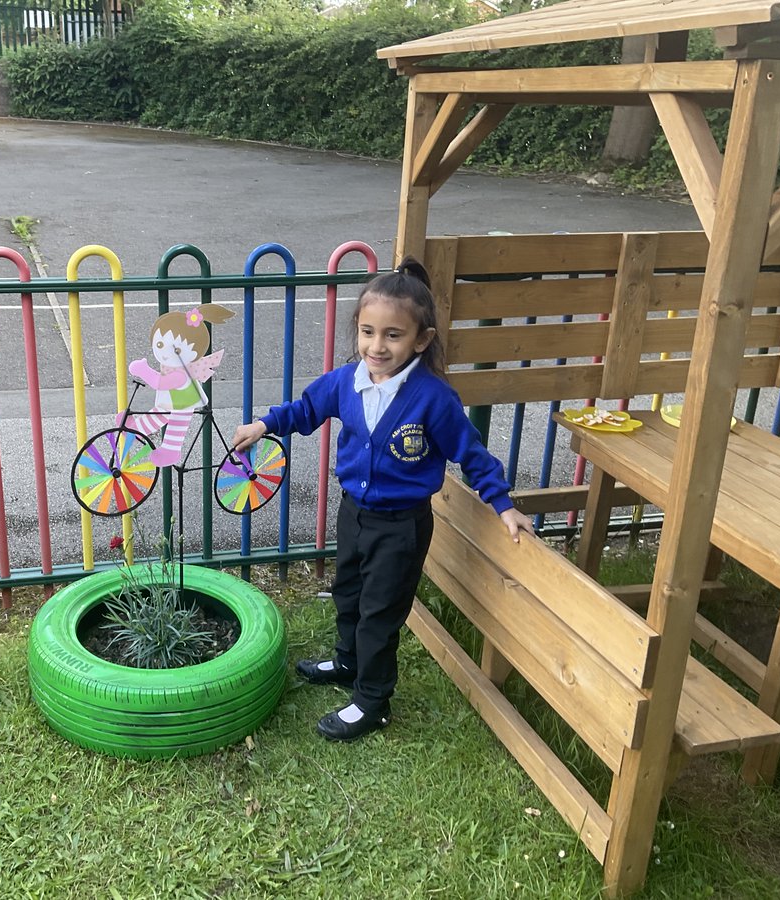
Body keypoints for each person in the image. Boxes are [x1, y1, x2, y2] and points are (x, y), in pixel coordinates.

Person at [232, 257, 534, 742]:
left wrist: (502, 503)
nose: (377, 346)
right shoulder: (345, 381)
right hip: (353, 514)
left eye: (393, 335)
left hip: (402, 526)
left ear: (421, 340)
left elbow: (470, 453)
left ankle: (372, 701)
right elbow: (307, 408)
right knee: (348, 592)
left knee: (380, 612)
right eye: (368, 332)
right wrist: (265, 425)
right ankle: (348, 661)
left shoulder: (433, 400)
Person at [122, 303, 235, 466]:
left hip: (184, 403)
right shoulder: (171, 367)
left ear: (194, 352)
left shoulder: (181, 373)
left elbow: (159, 383)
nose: (165, 353)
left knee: (175, 427)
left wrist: (142, 370)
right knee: (159, 413)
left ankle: (170, 451)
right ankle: (136, 430)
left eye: (177, 350)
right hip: (173, 402)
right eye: (159, 344)